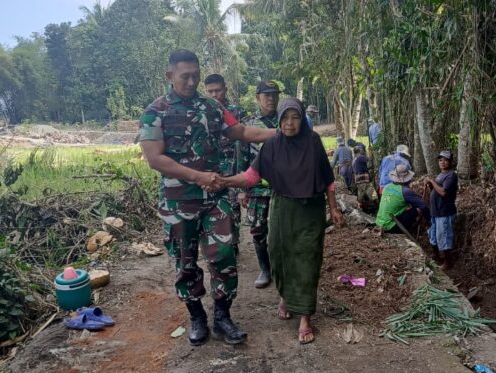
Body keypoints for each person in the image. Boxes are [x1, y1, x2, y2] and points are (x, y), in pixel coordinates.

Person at [138, 50, 276, 346]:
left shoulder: (212, 107)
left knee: (224, 255)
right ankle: (197, 316)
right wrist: (197, 176)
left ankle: (223, 316)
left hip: (216, 197)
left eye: (195, 75)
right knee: (185, 261)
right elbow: (154, 158)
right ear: (170, 75)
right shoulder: (155, 111)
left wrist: (280, 133)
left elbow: (240, 130)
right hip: (179, 202)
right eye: (185, 76)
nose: (191, 81)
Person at [213, 98, 345, 344]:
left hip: (310, 210)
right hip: (282, 207)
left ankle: (305, 316)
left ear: (302, 119)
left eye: (295, 117)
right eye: (285, 118)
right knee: (280, 254)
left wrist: (334, 209)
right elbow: (251, 177)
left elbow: (328, 179)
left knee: (307, 258)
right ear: (279, 120)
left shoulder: (313, 142)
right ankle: (285, 295)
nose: (289, 123)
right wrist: (226, 181)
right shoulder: (272, 144)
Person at [242, 80, 280, 289]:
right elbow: (243, 156)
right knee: (258, 229)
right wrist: (242, 190)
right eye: (266, 95)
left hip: (282, 187)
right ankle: (265, 269)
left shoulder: (288, 119)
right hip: (256, 187)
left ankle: (281, 268)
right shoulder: (248, 124)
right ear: (258, 98)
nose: (271, 98)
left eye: (274, 94)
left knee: (282, 228)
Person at [205, 73, 248, 256]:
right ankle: (218, 244)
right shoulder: (203, 112)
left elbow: (244, 143)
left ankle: (233, 243)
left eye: (218, 90)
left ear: (225, 89)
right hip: (212, 171)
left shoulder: (237, 112)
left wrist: (244, 174)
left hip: (234, 170)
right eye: (210, 91)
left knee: (233, 210)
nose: (215, 95)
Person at [426, 150, 459, 270]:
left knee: (444, 237)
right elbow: (436, 190)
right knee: (433, 235)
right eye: (440, 160)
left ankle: (448, 262)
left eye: (445, 160)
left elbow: (443, 192)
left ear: (450, 162)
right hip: (436, 212)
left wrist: (432, 181)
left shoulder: (451, 175)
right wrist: (431, 185)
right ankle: (436, 255)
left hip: (444, 212)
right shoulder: (441, 175)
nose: (442, 162)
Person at [376, 164, 429, 234]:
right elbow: (423, 206)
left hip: (379, 223)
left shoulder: (386, 187)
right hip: (390, 227)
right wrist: (431, 220)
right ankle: (411, 230)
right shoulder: (405, 191)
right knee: (414, 210)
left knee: (406, 208)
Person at [353, 146, 378, 211]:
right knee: (373, 194)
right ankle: (378, 207)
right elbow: (369, 162)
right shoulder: (361, 157)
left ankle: (360, 209)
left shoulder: (354, 159)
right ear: (359, 151)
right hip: (364, 179)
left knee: (360, 195)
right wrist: (370, 152)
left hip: (358, 180)